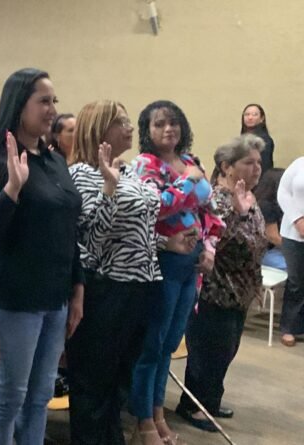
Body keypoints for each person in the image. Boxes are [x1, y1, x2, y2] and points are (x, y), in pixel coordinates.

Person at [0, 68, 83, 445]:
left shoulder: (54, 161)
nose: (52, 109)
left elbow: (69, 228)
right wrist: (11, 190)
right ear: (19, 105)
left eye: (54, 101)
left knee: (39, 398)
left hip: (55, 299)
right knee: (7, 398)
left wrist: (78, 287)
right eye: (43, 101)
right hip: (15, 300)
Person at [67, 101, 174, 445]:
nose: (130, 128)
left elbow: (138, 229)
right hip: (105, 288)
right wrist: (109, 191)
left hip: (140, 286)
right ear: (99, 130)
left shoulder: (129, 171)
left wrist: (170, 243)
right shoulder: (82, 173)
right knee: (94, 384)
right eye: (121, 122)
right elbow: (90, 241)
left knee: (119, 384)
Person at [130, 100, 223, 445]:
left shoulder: (190, 161)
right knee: (152, 345)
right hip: (163, 261)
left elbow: (209, 210)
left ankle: (158, 413)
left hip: (192, 264)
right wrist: (187, 182)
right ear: (147, 131)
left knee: (170, 345)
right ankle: (143, 421)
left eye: (174, 123)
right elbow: (156, 206)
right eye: (159, 124)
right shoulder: (145, 164)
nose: (168, 129)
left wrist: (209, 249)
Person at [174, 134, 265, 432]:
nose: (256, 168)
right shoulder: (216, 199)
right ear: (226, 166)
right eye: (248, 162)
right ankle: (193, 405)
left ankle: (210, 401)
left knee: (225, 352)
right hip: (215, 291)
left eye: (259, 162)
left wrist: (256, 283)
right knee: (208, 353)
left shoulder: (249, 197)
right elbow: (216, 241)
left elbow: (255, 244)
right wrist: (239, 214)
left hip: (239, 292)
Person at [278, 156, 304, 347]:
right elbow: (283, 192)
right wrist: (298, 219)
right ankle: (289, 327)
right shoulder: (299, 164)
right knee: (296, 281)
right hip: (294, 232)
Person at [255, 168, 287, 270]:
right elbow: (273, 237)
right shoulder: (265, 206)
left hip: (278, 249)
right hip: (267, 252)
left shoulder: (281, 204)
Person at [240, 103, 274, 173]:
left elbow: (264, 165)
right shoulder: (242, 138)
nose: (250, 117)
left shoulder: (264, 140)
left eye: (254, 114)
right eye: (247, 114)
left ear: (262, 118)